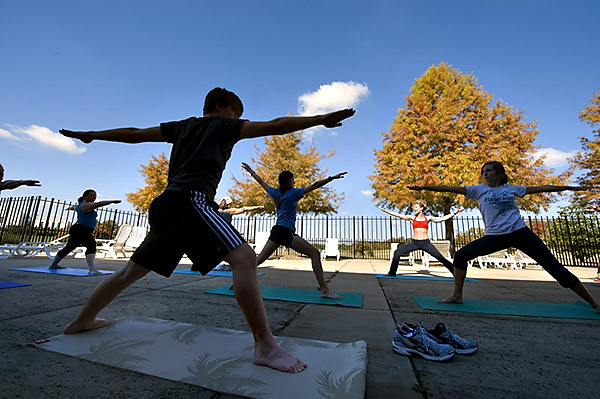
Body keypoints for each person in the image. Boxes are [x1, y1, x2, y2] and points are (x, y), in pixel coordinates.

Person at [59, 87, 355, 373]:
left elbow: (135, 135)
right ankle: (265, 347)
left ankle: (84, 320)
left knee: (129, 272)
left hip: (165, 206)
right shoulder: (223, 127)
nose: (237, 118)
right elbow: (276, 126)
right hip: (191, 200)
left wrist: (93, 135)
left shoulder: (181, 127)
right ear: (218, 106)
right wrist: (319, 119)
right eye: (235, 112)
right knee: (245, 259)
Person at [408, 161, 600, 313]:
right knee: (460, 256)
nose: (485, 173)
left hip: (520, 233)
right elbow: (450, 188)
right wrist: (424, 187)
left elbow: (541, 188)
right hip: (496, 236)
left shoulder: (511, 189)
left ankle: (594, 303)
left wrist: (566, 187)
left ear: (499, 174)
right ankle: (457, 296)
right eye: (484, 171)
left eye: (490, 170)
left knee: (557, 270)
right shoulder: (478, 190)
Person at [242, 162, 344, 299]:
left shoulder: (274, 193)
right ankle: (325, 290)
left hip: (277, 230)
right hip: (285, 231)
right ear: (289, 181)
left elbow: (261, 182)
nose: (294, 181)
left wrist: (251, 171)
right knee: (314, 254)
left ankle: (238, 283)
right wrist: (332, 178)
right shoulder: (293, 193)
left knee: (259, 260)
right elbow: (314, 186)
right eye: (293, 179)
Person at [377, 201, 463, 276]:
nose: (414, 209)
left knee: (441, 258)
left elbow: (441, 219)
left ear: (421, 208)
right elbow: (399, 215)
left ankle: (456, 274)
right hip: (415, 243)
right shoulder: (412, 218)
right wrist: (385, 211)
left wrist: (454, 213)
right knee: (397, 253)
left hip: (426, 243)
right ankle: (392, 272)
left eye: (416, 207)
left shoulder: (428, 218)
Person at [48, 189, 121, 273]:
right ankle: (92, 269)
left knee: (69, 247)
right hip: (81, 230)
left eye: (95, 196)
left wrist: (71, 208)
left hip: (79, 229)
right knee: (91, 245)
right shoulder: (86, 205)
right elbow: (99, 204)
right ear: (85, 196)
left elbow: (75, 208)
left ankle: (54, 265)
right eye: (91, 195)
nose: (93, 197)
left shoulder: (81, 205)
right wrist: (112, 201)